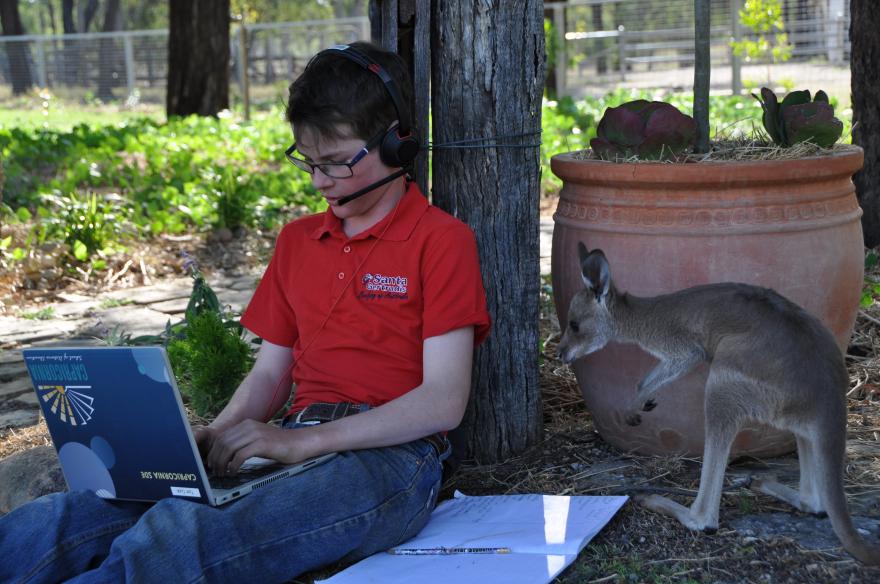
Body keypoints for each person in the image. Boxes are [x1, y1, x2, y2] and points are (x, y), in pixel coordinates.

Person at [0, 41, 491, 583]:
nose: (318, 181)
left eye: (335, 163)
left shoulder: (442, 241)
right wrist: (217, 434)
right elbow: (271, 371)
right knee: (70, 517)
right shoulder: (298, 241)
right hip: (291, 440)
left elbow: (443, 402)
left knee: (187, 534)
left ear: (397, 146)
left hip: (389, 459)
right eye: (308, 162)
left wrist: (296, 443)